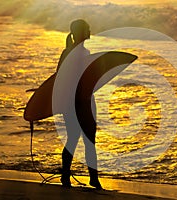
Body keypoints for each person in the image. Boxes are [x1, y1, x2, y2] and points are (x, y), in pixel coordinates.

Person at [56, 19, 102, 189]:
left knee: (78, 140)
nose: (90, 30)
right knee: (79, 140)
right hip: (77, 102)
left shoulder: (81, 52)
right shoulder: (70, 53)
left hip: (84, 101)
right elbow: (60, 78)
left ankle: (79, 178)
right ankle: (85, 178)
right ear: (80, 32)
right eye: (87, 28)